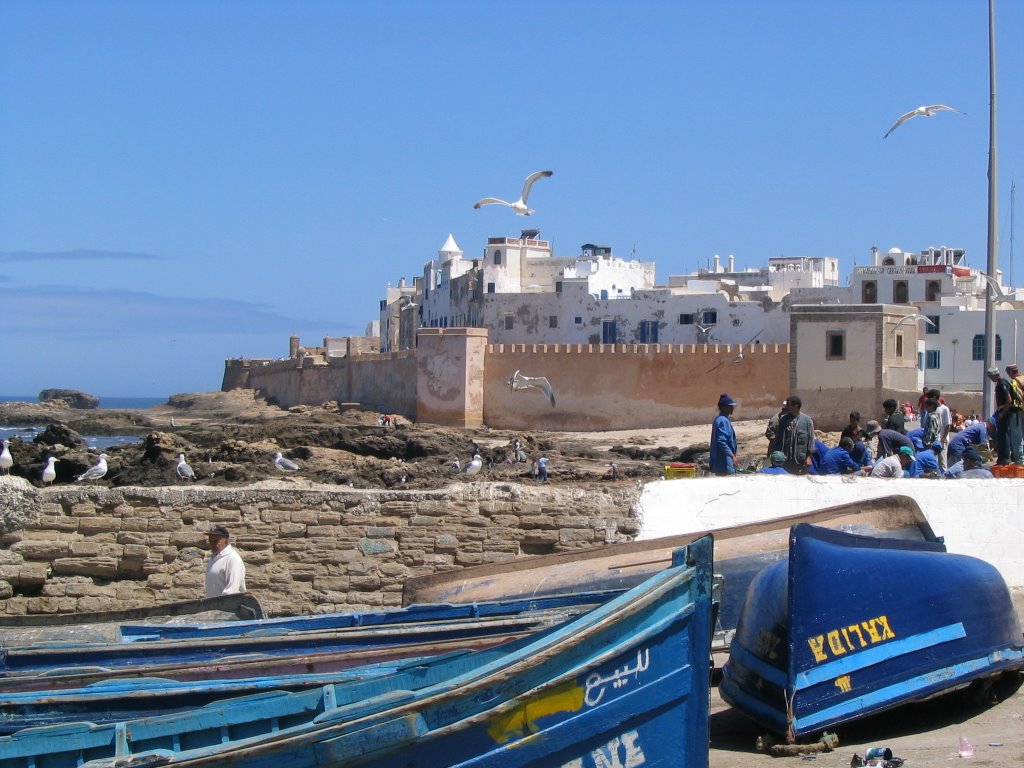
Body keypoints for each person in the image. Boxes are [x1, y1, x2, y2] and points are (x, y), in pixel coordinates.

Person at [772, 396, 815, 474]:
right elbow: (778, 439)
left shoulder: (807, 421)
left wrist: (809, 457)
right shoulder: (783, 420)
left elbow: (811, 440)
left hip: (799, 461)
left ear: (796, 406)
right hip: (785, 460)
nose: (786, 407)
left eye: (789, 405)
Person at [204, 525, 246, 598]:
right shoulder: (213, 558)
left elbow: (232, 590)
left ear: (226, 540)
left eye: (216, 541)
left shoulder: (232, 559)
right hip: (213, 606)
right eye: (210, 541)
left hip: (228, 607)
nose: (212, 544)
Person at [988, 366, 1012, 465]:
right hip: (1002, 413)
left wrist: (1002, 413)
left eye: (991, 377)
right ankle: (1002, 457)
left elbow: (1009, 400)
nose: (991, 379)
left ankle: (1005, 458)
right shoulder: (1000, 383)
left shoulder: (1002, 384)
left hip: (1004, 414)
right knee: (1000, 435)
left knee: (1003, 435)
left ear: (996, 375)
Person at [710, 394, 738, 475]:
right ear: (723, 407)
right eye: (730, 406)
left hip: (720, 463)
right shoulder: (723, 421)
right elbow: (721, 441)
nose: (732, 408)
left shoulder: (719, 419)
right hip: (724, 462)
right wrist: (732, 456)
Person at [1006, 363, 1024, 464]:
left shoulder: (1014, 382)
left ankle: (1020, 460)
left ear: (1010, 373)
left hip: (1017, 411)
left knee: (1017, 436)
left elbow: (1015, 399)